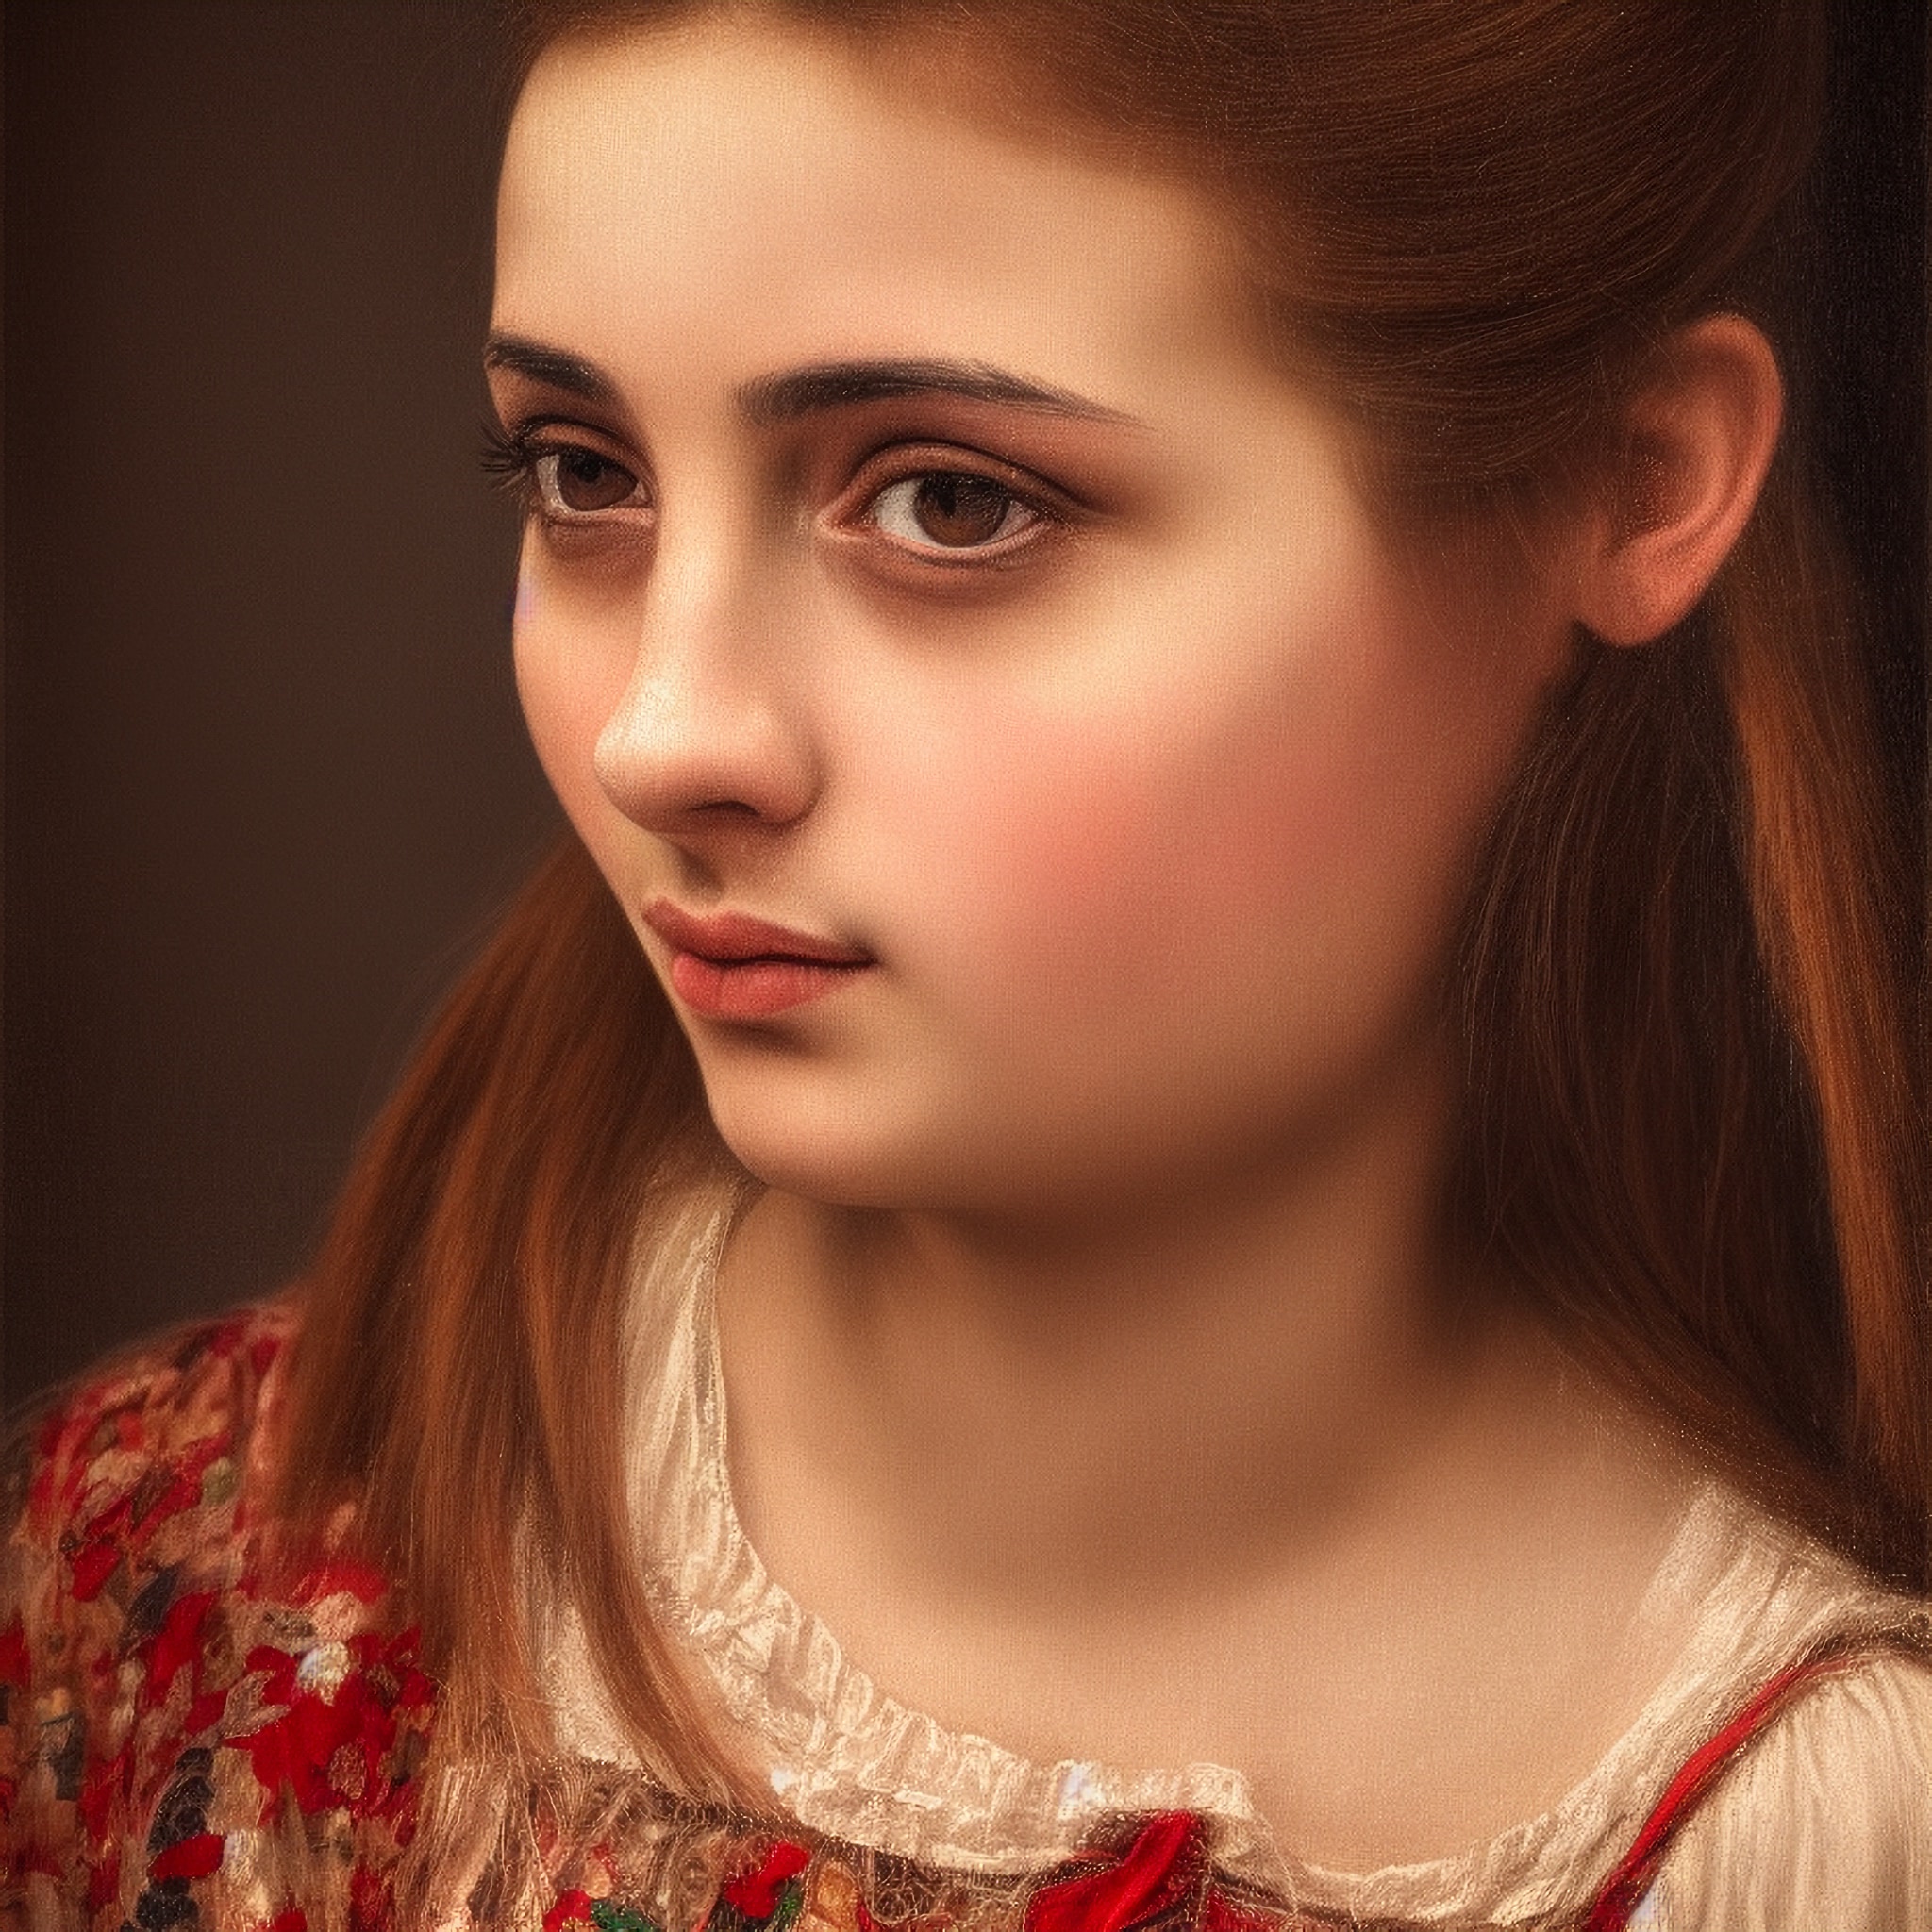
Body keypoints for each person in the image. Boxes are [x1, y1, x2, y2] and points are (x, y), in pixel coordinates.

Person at [5, 1, 1928, 1925]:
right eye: (584, 476)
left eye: (951, 500)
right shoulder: (193, 1564)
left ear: (1629, 486)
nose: (661, 734)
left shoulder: (1809, 1853)